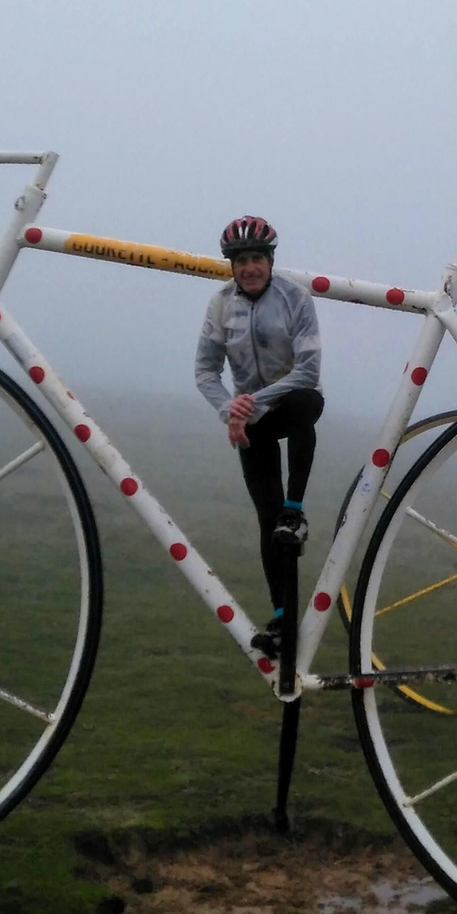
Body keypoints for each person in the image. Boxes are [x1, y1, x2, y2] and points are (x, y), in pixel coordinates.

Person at [195, 216, 324, 658]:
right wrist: (229, 407)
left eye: (257, 259)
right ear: (231, 265)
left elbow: (308, 370)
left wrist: (252, 400)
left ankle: (296, 507)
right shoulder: (220, 305)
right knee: (268, 528)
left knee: (307, 401)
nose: (250, 267)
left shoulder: (295, 299)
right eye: (241, 261)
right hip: (249, 423)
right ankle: (281, 620)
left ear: (270, 261)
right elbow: (205, 370)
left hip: (289, 404)